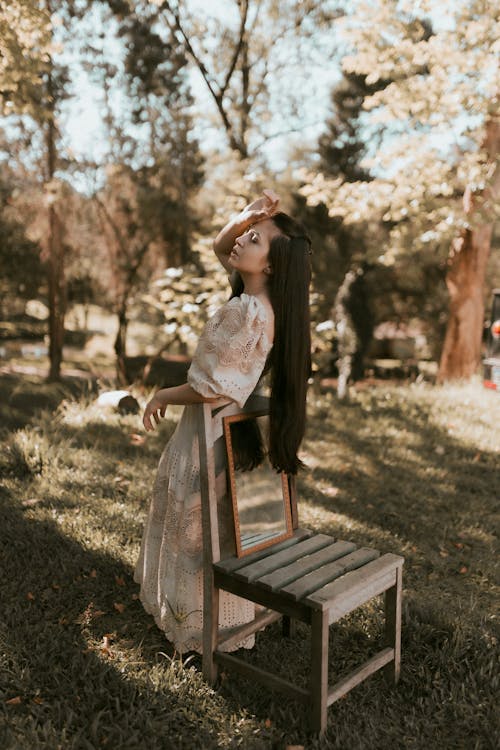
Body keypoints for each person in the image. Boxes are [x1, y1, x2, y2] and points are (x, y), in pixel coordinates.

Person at [134, 189, 312, 653]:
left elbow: (214, 388)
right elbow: (219, 247)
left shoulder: (252, 312)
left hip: (210, 426)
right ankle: (193, 615)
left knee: (197, 528)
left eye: (253, 239)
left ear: (270, 265)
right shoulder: (255, 301)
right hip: (211, 426)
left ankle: (197, 624)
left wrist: (162, 395)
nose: (241, 241)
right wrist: (246, 216)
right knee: (197, 523)